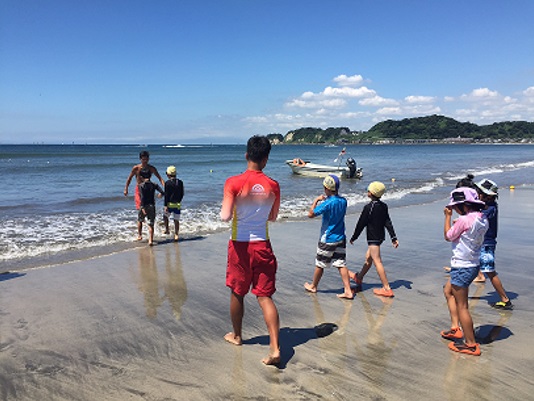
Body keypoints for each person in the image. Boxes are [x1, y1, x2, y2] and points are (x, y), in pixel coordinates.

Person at [220, 135, 281, 366]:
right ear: (266, 159)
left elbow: (225, 216)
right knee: (265, 296)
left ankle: (237, 336)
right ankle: (275, 348)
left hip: (240, 245)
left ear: (247, 155)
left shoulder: (233, 182)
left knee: (238, 292)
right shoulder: (273, 185)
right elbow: (272, 217)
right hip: (263, 244)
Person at [441, 187, 488, 356]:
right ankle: (456, 327)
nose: (453, 209)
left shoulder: (463, 220)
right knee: (448, 291)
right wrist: (459, 222)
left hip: (462, 266)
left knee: (462, 306)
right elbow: (469, 228)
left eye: (455, 207)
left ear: (464, 205)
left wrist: (447, 217)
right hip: (473, 264)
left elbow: (448, 236)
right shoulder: (482, 218)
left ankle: (471, 344)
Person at [304, 175, 353, 299]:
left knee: (320, 263)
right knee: (341, 263)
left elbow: (310, 214)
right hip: (340, 237)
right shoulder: (343, 201)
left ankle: (313, 286)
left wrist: (316, 201)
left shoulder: (327, 203)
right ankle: (348, 290)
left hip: (328, 238)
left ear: (327, 188)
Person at [348, 181, 399, 297]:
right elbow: (388, 222)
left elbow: (361, 224)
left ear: (371, 193)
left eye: (369, 190)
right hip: (380, 237)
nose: (367, 191)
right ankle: (359, 277)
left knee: (377, 261)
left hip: (373, 238)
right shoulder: (384, 206)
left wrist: (354, 237)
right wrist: (393, 237)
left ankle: (386, 288)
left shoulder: (368, 208)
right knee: (368, 258)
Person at [473, 179, 513, 309]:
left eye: (478, 192)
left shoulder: (489, 209)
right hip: (484, 242)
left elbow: (476, 219)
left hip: (487, 244)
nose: (476, 194)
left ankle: (505, 299)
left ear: (488, 196)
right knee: (476, 265)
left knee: (490, 271)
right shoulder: (489, 206)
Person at [137, 170, 164, 246]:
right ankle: (150, 240)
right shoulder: (154, 184)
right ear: (150, 176)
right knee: (151, 223)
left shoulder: (141, 185)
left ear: (141, 177)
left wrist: (142, 207)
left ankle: (139, 235)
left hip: (144, 205)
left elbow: (142, 197)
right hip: (152, 205)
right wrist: (160, 195)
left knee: (140, 220)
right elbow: (162, 192)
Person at [163, 165, 184, 241]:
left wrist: (165, 205)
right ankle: (176, 234)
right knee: (176, 220)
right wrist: (179, 201)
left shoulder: (167, 183)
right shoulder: (180, 182)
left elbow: (166, 195)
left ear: (168, 174)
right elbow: (182, 193)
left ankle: (167, 229)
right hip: (177, 204)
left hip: (170, 204)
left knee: (165, 217)